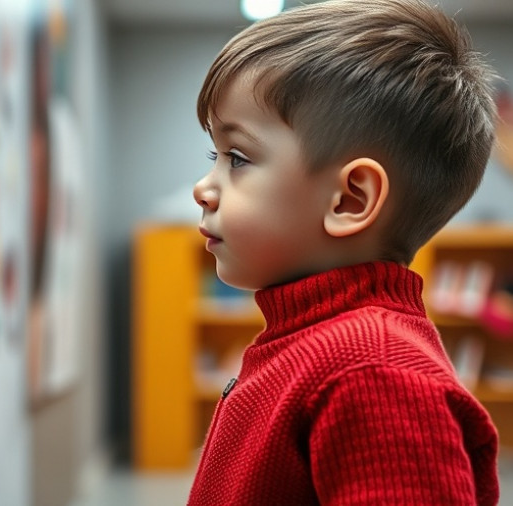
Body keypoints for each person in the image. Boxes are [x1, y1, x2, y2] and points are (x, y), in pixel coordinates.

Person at [189, 0, 499, 504]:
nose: (204, 187)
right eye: (214, 156)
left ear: (350, 199)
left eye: (237, 158)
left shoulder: (373, 371)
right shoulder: (310, 343)